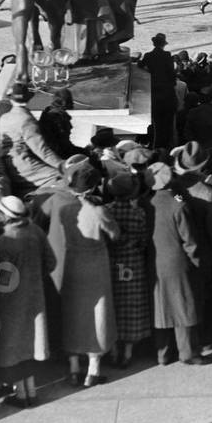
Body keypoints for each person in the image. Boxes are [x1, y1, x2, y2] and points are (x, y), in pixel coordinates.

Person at [58, 163, 118, 388]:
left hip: (72, 262)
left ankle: (74, 367)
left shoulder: (65, 211)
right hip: (96, 265)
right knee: (98, 313)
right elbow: (115, 235)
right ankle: (93, 369)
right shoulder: (99, 211)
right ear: (94, 187)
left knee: (74, 312)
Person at [0, 195, 55, 407]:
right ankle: (31, 391)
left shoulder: (1, 242)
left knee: (15, 347)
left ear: (4, 216)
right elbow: (51, 262)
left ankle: (21, 395)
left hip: (11, 303)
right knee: (31, 344)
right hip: (36, 297)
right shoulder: (36, 231)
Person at [148, 164, 209, 366]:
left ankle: (163, 353)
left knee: (161, 307)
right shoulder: (178, 202)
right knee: (183, 307)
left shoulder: (145, 202)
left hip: (155, 262)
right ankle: (188, 353)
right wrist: (196, 260)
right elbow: (189, 240)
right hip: (177, 262)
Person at [106, 172, 151, 369]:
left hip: (114, 264)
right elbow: (143, 239)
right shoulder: (138, 213)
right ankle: (127, 353)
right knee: (132, 306)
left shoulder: (106, 211)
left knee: (115, 304)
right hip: (133, 264)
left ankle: (114, 349)